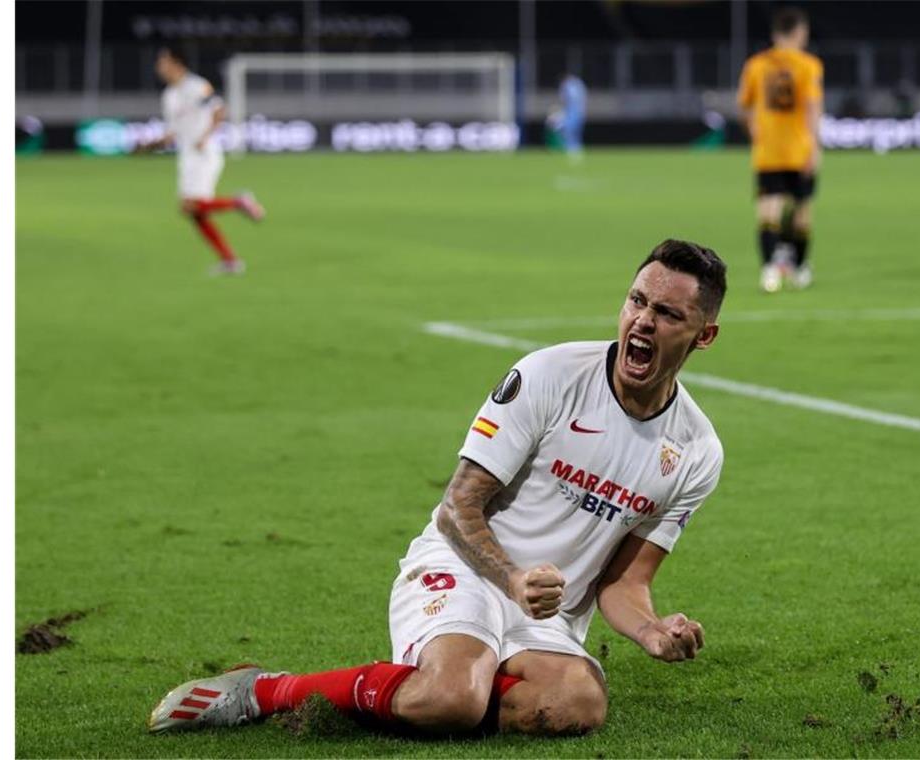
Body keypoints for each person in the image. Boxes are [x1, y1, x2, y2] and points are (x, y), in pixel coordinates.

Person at [148, 239, 728, 737]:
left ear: (704, 336)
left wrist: (651, 630)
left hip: (543, 616)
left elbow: (624, 582)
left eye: (667, 314)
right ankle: (267, 690)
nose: (642, 322)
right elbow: (458, 506)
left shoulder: (696, 451)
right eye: (636, 301)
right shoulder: (551, 376)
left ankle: (441, 687)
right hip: (465, 570)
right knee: (453, 698)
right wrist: (513, 578)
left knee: (577, 705)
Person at [136, 47, 264, 276]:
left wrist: (205, 136)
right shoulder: (169, 96)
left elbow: (218, 110)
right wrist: (149, 146)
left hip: (204, 153)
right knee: (194, 212)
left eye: (163, 62)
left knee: (190, 206)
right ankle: (230, 260)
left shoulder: (196, 86)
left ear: (177, 64)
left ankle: (239, 203)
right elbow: (173, 133)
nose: (159, 67)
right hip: (187, 155)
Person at [737, 7, 824, 292]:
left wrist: (755, 132)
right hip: (799, 150)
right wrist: (814, 145)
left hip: (768, 151)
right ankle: (798, 269)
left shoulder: (756, 65)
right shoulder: (808, 65)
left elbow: (744, 107)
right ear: (799, 32)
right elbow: (812, 107)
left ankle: (769, 271)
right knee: (801, 212)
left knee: (768, 211)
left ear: (776, 33)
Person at [556, 73, 588, 162]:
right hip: (572, 111)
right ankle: (572, 149)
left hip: (574, 111)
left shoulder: (573, 85)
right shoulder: (577, 84)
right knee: (569, 130)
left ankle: (574, 149)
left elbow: (564, 98)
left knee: (572, 131)